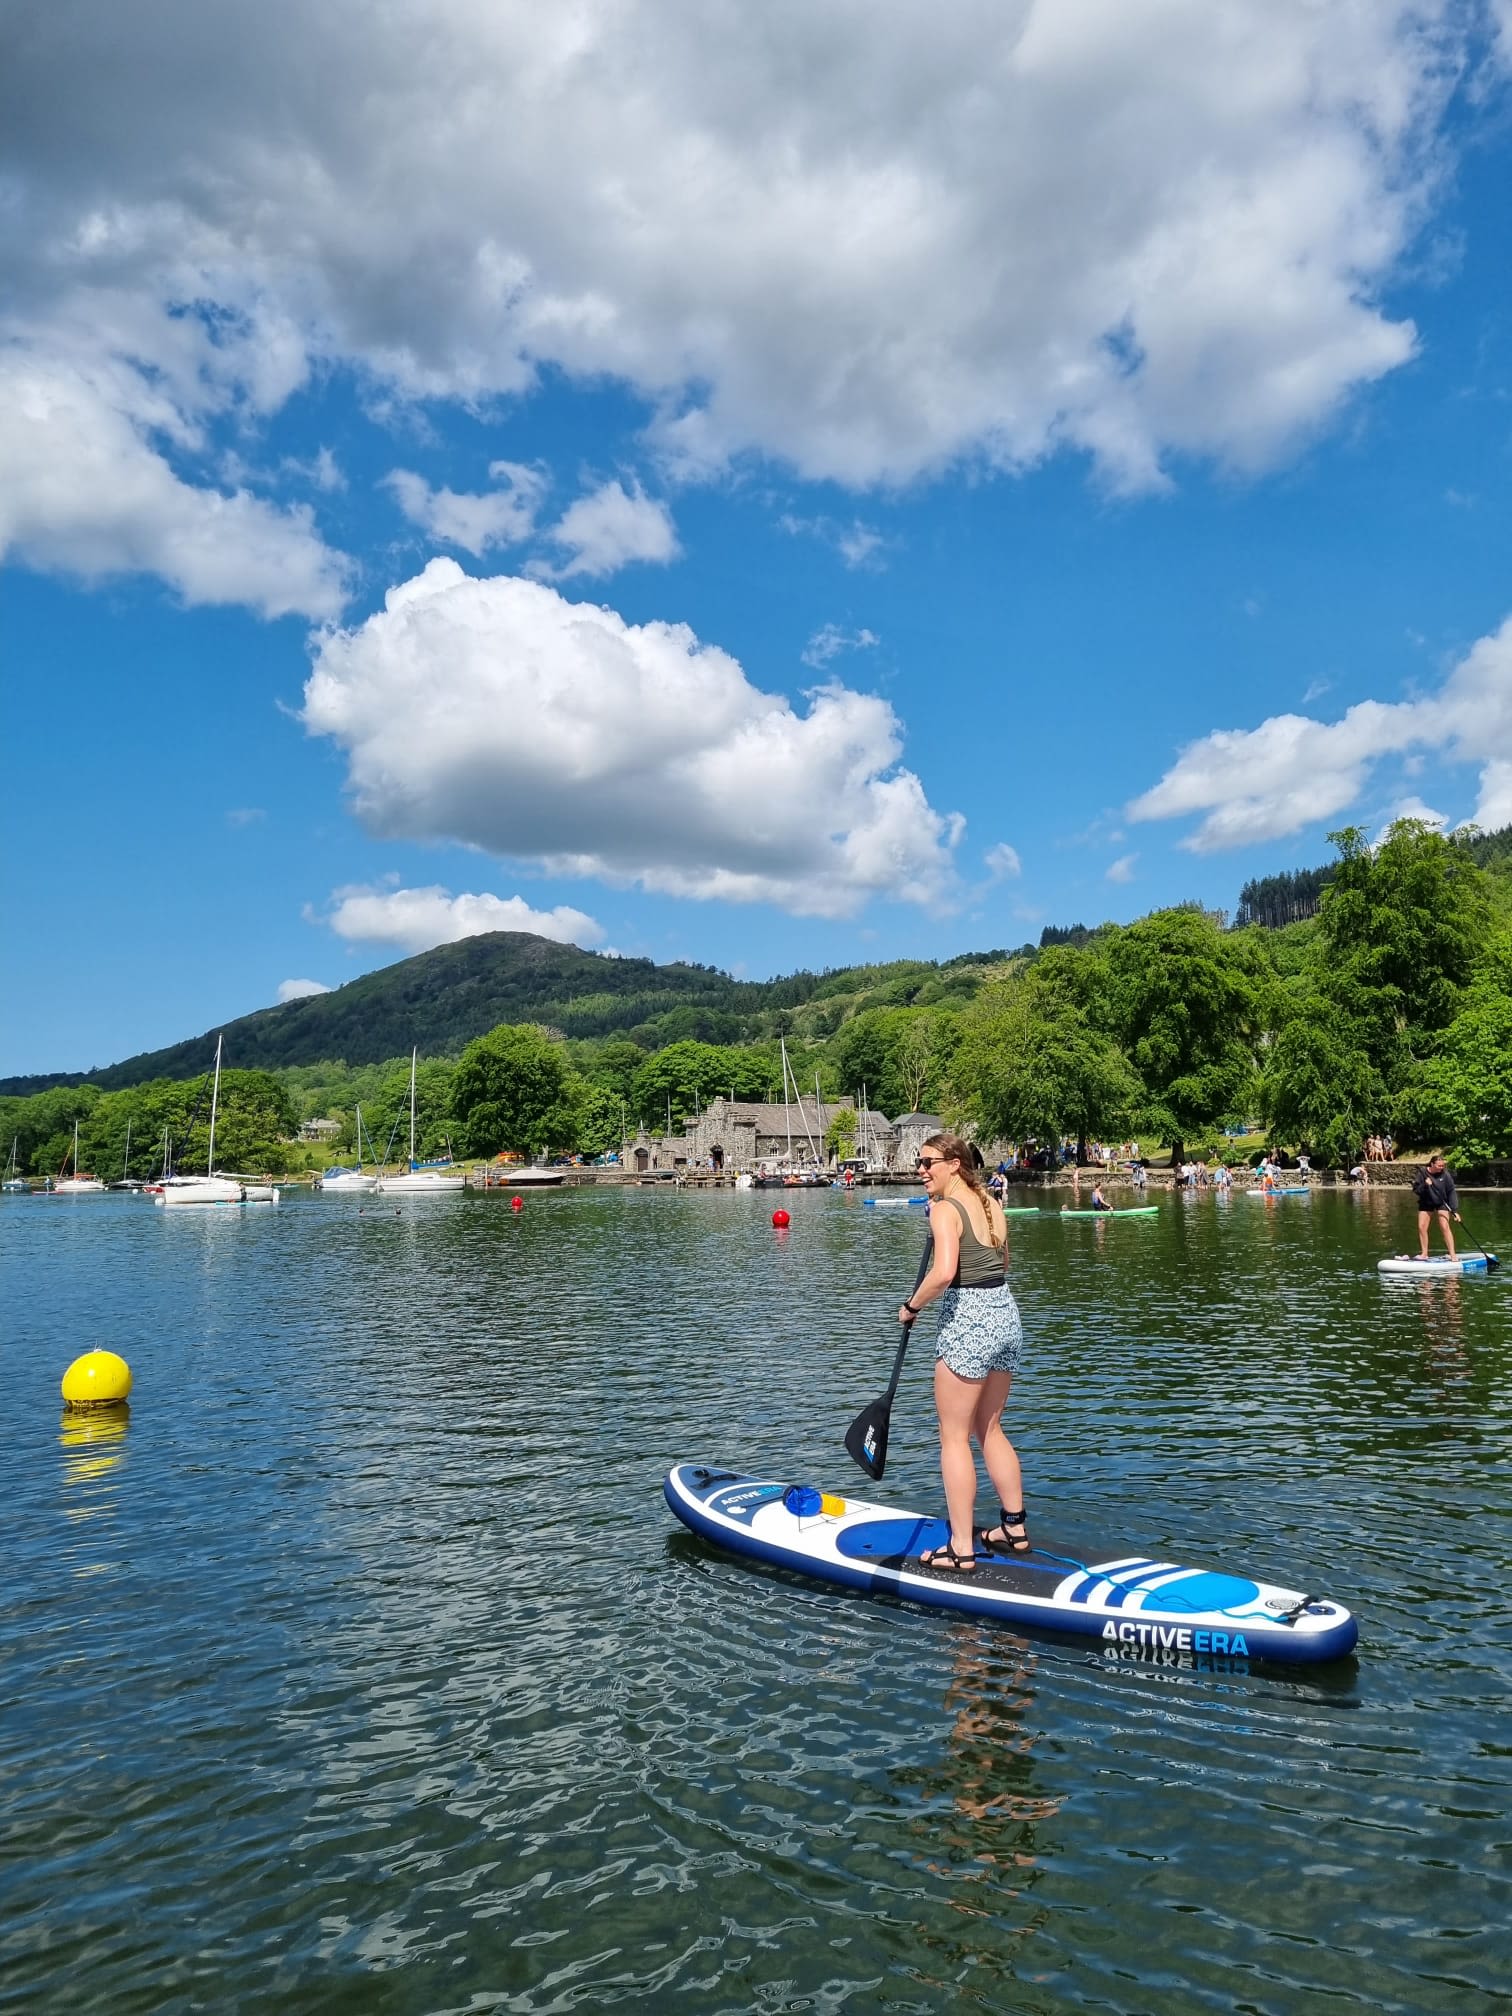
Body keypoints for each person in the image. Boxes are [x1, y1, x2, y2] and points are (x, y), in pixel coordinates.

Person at [897, 1132, 1027, 1575]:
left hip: (969, 1319)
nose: (920, 1170)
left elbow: (945, 1271)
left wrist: (911, 1306)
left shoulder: (945, 1209)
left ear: (954, 1163)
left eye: (927, 1162)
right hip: (1006, 1314)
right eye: (919, 1162)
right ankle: (1014, 1528)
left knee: (953, 1437)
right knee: (989, 1427)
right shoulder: (991, 1201)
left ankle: (960, 1548)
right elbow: (1003, 1264)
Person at [1413, 1154, 1461, 1259]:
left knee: (1444, 1226)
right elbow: (1416, 1190)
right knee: (1422, 1227)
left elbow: (1451, 1192)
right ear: (1432, 1164)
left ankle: (1452, 1254)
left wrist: (1454, 1210)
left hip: (1441, 1202)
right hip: (1426, 1201)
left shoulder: (1445, 1175)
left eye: (1443, 1165)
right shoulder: (1422, 1173)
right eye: (1439, 1166)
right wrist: (1425, 1185)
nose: (1441, 1168)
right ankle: (1424, 1254)